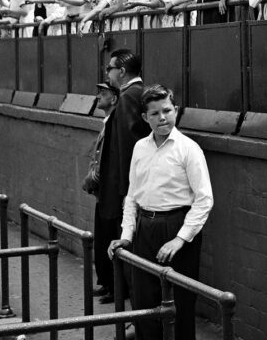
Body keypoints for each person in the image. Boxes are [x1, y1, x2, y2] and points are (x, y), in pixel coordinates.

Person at [109, 85, 213, 340]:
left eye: (167, 110)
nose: (162, 117)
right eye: (154, 113)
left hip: (178, 227)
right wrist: (127, 234)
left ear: (176, 110)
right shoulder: (140, 149)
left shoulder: (189, 149)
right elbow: (132, 195)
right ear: (145, 118)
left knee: (180, 303)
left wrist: (180, 239)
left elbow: (204, 200)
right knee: (144, 300)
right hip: (145, 226)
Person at [96, 49, 146, 304]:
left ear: (122, 71)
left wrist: (127, 190)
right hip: (125, 185)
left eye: (109, 68)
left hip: (123, 186)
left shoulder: (128, 97)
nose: (107, 72)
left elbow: (127, 147)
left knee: (124, 243)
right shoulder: (135, 94)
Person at [86, 79, 119, 301]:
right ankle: (108, 283)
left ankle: (115, 287)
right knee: (102, 238)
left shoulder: (114, 124)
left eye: (103, 93)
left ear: (114, 98)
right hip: (102, 192)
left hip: (109, 192)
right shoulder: (108, 122)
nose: (99, 96)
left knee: (110, 237)